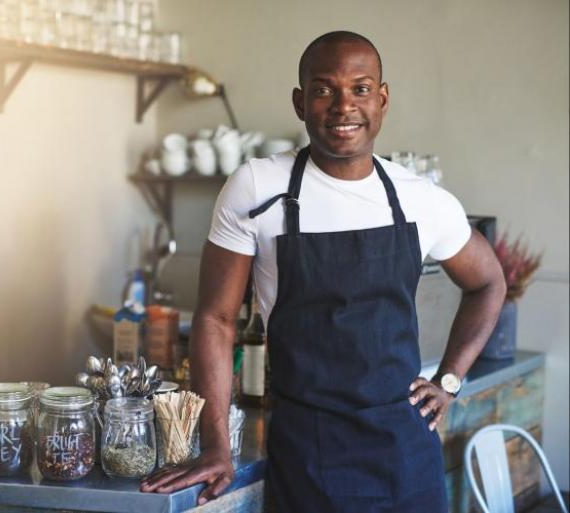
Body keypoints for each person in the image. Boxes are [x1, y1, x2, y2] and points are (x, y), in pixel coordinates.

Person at [140, 31, 506, 512]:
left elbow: (489, 283)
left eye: (360, 88)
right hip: (308, 453)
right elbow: (215, 319)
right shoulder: (255, 187)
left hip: (406, 453)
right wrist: (217, 447)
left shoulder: (420, 199)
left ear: (382, 98)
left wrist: (450, 380)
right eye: (323, 89)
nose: (343, 106)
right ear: (299, 102)